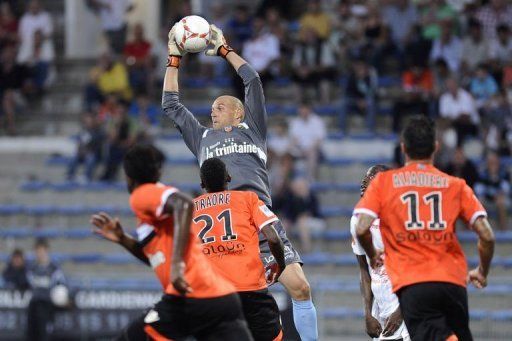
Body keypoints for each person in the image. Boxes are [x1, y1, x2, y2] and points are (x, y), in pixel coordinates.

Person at [163, 23, 318, 341]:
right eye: (211, 108)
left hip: (261, 222)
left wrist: (224, 50)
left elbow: (252, 79)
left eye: (220, 106)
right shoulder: (202, 136)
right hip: (226, 230)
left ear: (239, 113)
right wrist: (173, 59)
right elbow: (171, 105)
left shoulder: (254, 129)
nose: (213, 111)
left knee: (301, 287)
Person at [91, 144, 252, 340]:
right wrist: (124, 240)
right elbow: (158, 259)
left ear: (128, 177)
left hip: (190, 296)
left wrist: (177, 265)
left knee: (131, 337)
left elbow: (184, 204)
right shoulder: (159, 217)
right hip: (222, 300)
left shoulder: (141, 195)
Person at [354, 116, 495, 340]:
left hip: (415, 285)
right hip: (451, 282)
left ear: (403, 149)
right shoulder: (456, 185)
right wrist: (482, 271)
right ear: (436, 148)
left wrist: (372, 255)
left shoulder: (385, 183)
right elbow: (487, 235)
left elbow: (361, 228)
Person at [192, 157, 286, 341]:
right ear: (228, 177)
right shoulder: (248, 199)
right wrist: (280, 265)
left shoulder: (190, 209)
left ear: (202, 183)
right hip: (250, 290)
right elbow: (274, 238)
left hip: (212, 295)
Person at [350, 165, 410, 340]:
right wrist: (367, 313)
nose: (364, 182)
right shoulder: (357, 220)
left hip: (409, 309)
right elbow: (363, 270)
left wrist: (402, 310)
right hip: (382, 310)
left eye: (371, 178)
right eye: (365, 178)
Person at [26, 238, 67, 341]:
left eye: (41, 250)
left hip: (47, 305)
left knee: (44, 334)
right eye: (37, 251)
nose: (39, 253)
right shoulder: (32, 268)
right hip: (34, 304)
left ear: (46, 250)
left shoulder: (54, 269)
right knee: (31, 333)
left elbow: (62, 284)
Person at [289, 101, 326, 180]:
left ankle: (310, 179)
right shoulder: (295, 122)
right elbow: (294, 140)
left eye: (305, 109)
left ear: (309, 110)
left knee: (312, 153)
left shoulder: (317, 121)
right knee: (286, 152)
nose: (303, 111)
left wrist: (308, 149)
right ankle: (289, 179)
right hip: (299, 149)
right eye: (301, 109)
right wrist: (299, 148)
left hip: (314, 149)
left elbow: (319, 140)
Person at [475, 151, 510, 231]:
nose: (492, 163)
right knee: (479, 202)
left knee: (501, 202)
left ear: (498, 161)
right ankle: (483, 232)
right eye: (490, 161)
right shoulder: (482, 173)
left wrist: (496, 179)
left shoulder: (504, 172)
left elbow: (506, 188)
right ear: (487, 162)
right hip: (487, 198)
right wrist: (490, 193)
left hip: (501, 198)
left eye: (494, 161)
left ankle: (503, 232)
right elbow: (478, 189)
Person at [67, 113, 105, 181]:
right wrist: (80, 151)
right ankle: (70, 176)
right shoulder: (83, 131)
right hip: (82, 153)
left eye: (89, 122)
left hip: (93, 154)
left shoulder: (98, 132)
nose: (88, 123)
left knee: (90, 159)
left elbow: (97, 146)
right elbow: (80, 143)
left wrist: (87, 152)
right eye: (86, 122)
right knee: (73, 158)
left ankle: (87, 177)